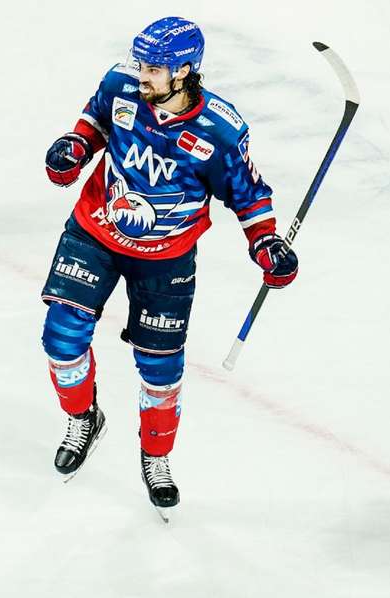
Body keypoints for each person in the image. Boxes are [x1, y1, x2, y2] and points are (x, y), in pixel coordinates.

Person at [39, 16, 298, 518]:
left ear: (184, 71)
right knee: (61, 337)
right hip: (94, 232)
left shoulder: (220, 131)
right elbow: (93, 123)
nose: (143, 76)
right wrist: (73, 147)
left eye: (155, 69)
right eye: (142, 65)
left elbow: (246, 195)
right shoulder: (119, 87)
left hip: (166, 259)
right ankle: (83, 418)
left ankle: (155, 458)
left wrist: (267, 243)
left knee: (160, 369)